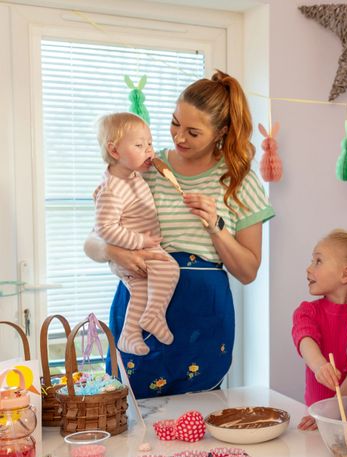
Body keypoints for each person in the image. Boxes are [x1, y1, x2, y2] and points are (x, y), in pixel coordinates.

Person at [84, 71, 274, 398]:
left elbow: (248, 271)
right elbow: (92, 241)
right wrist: (117, 254)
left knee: (197, 419)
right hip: (140, 306)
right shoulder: (147, 166)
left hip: (203, 314)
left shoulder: (239, 182)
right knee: (132, 418)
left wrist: (215, 226)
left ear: (222, 132)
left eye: (193, 132)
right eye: (175, 123)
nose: (178, 137)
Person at [93, 112, 179, 356]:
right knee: (169, 268)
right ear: (115, 151)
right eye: (140, 145)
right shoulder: (112, 189)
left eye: (149, 143)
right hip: (134, 251)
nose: (148, 150)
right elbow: (105, 228)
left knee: (140, 293)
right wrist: (141, 241)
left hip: (141, 248)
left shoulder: (131, 176)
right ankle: (153, 316)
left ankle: (129, 336)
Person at [293, 230, 347, 431]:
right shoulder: (308, 311)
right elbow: (304, 337)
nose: (309, 268)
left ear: (345, 274)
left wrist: (331, 410)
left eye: (318, 261)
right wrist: (319, 365)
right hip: (318, 426)